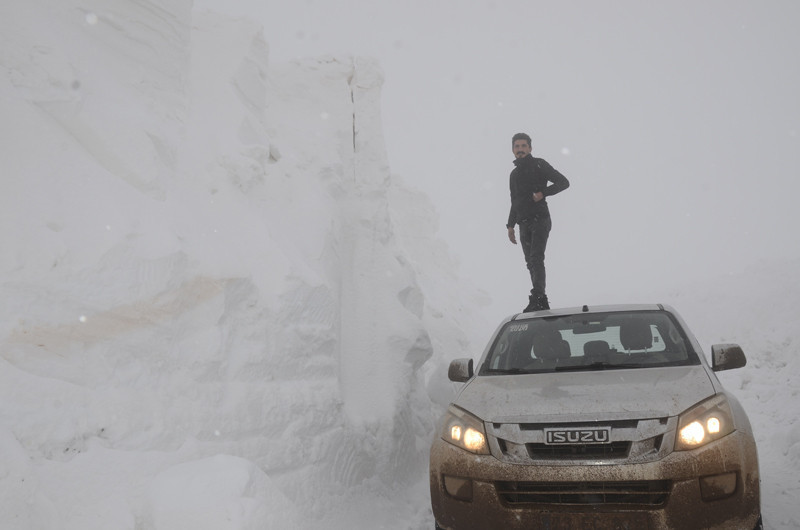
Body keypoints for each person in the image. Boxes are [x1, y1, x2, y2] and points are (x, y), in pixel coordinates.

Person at [506, 132, 570, 312]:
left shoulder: (539, 164)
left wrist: (544, 193)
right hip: (523, 223)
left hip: (540, 219)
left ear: (530, 148)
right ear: (512, 150)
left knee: (536, 258)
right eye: (517, 147)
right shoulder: (513, 174)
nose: (520, 150)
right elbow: (515, 201)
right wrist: (510, 225)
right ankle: (541, 300)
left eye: (523, 146)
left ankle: (538, 297)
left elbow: (563, 182)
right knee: (530, 262)